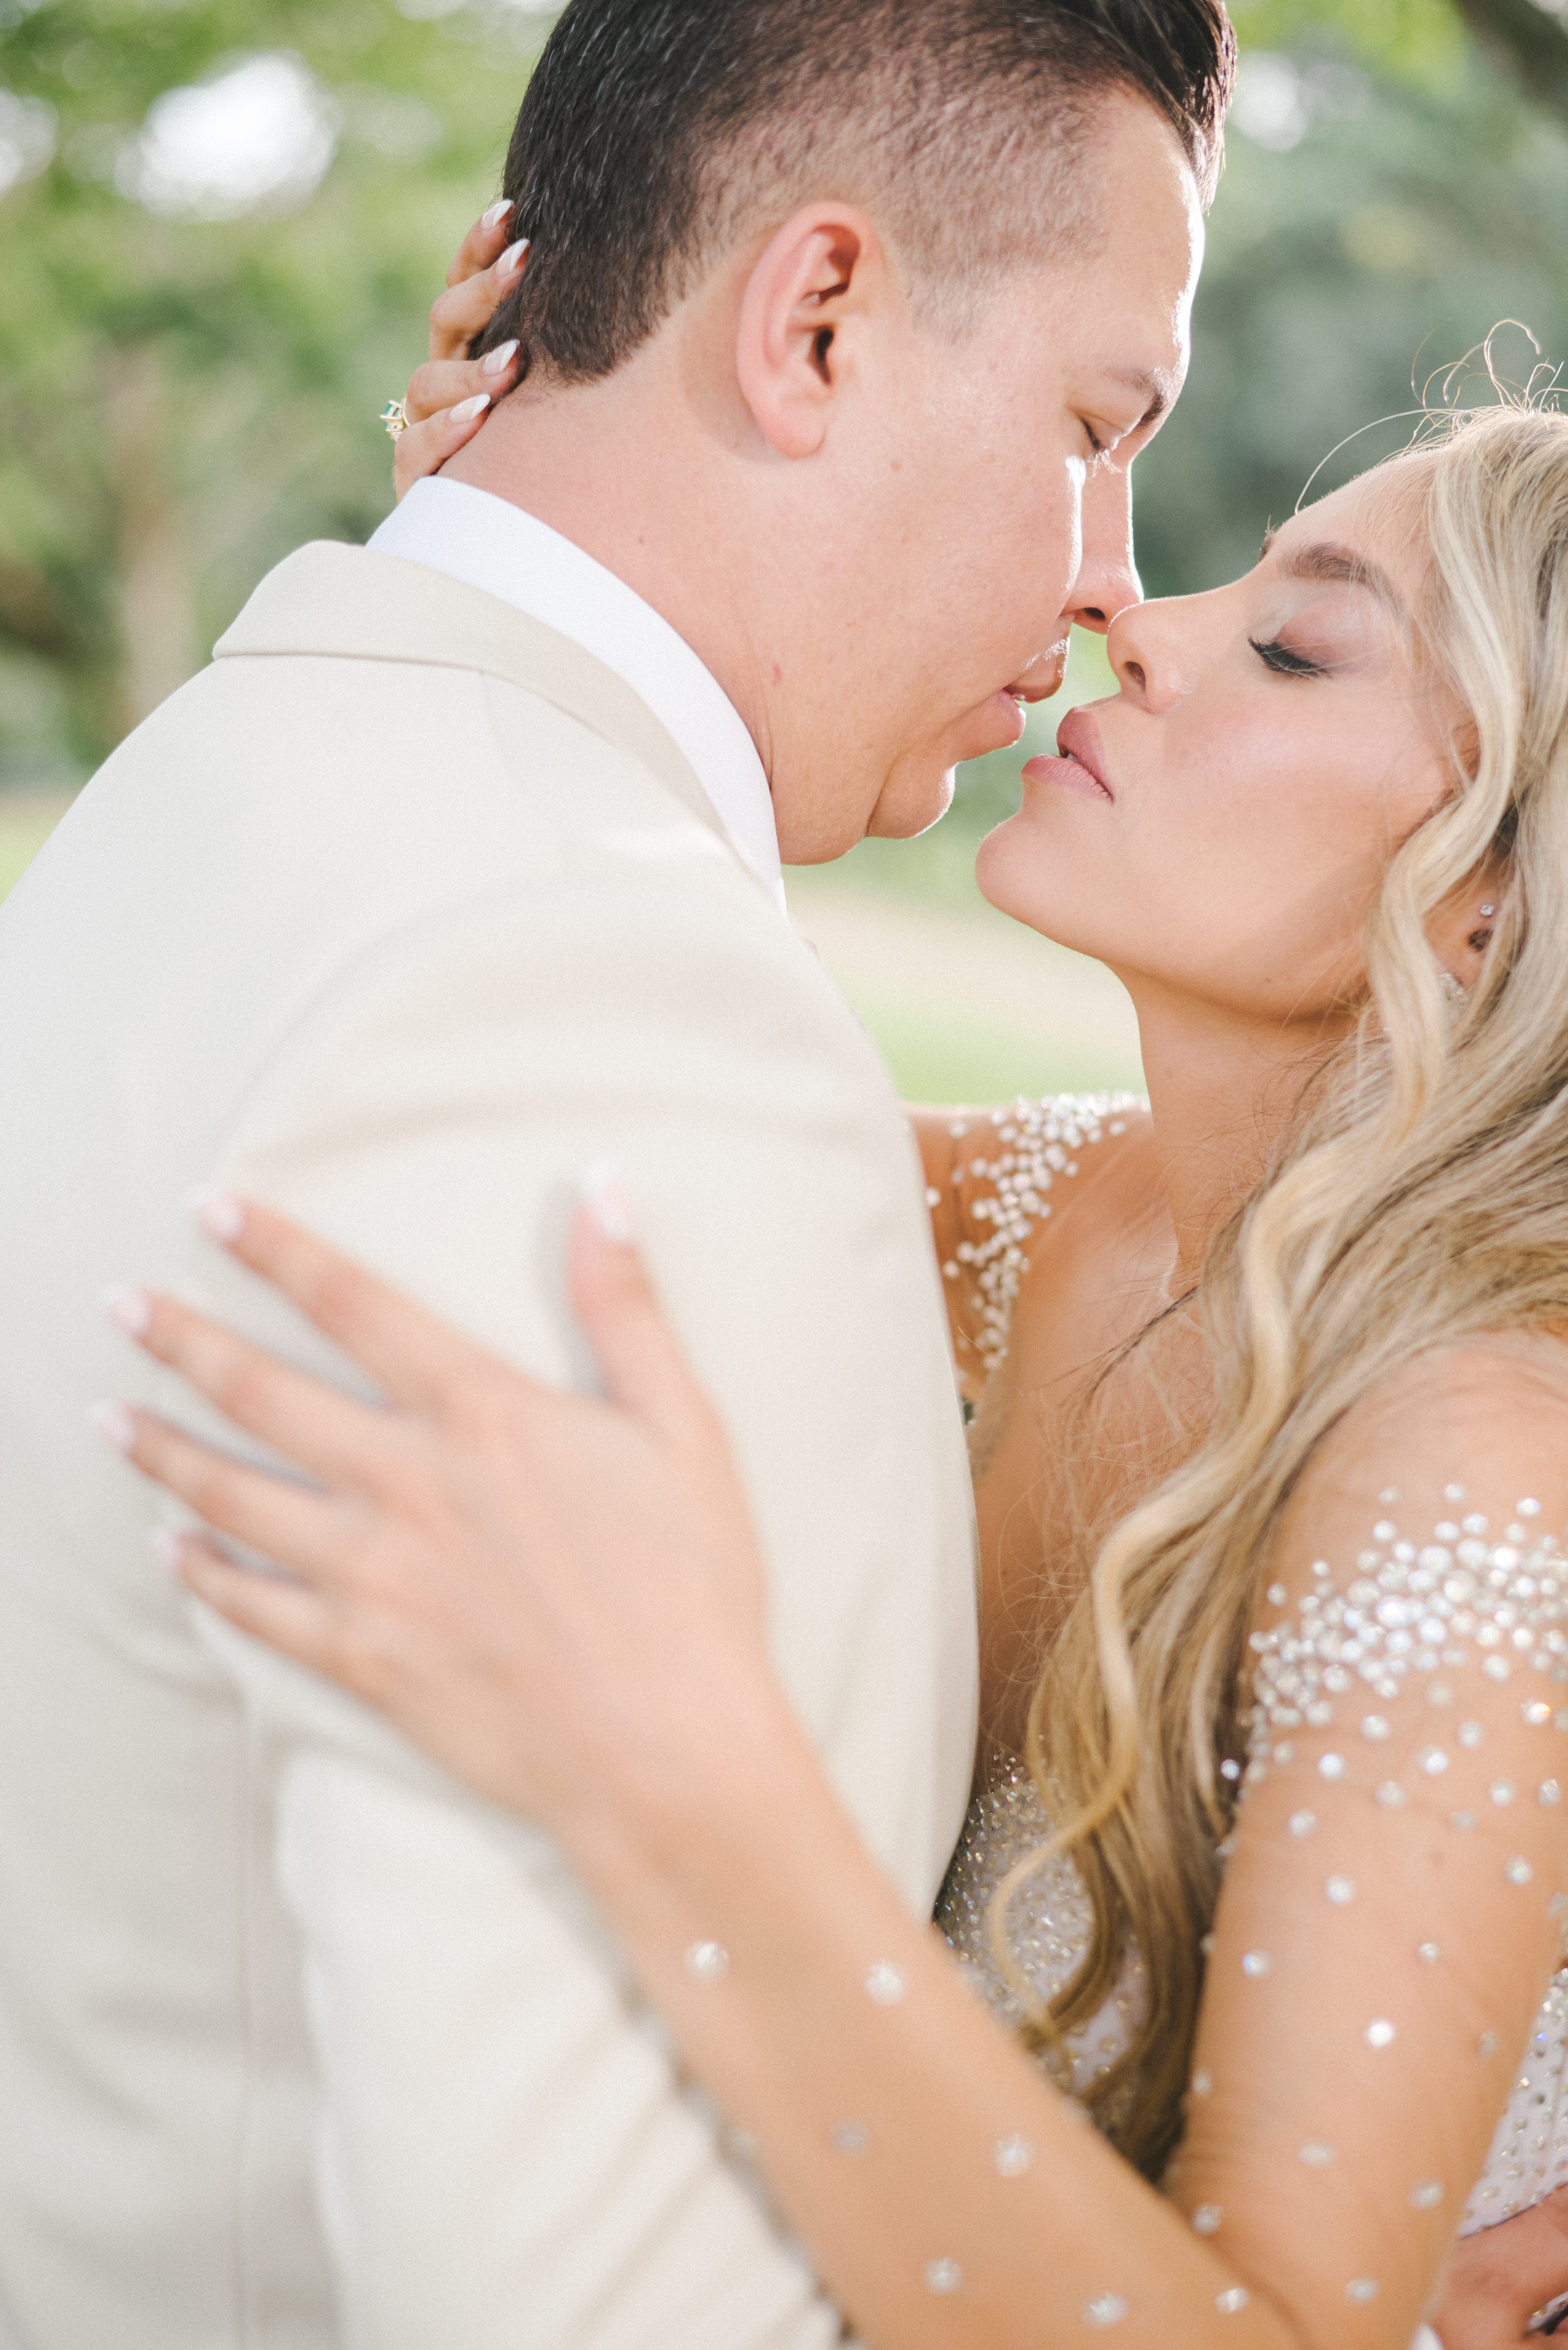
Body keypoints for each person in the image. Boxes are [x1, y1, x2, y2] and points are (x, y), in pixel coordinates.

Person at [0, 3, 1235, 2344]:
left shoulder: (231, 768)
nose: (1112, 585)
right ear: (819, 318)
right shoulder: (605, 999)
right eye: (1098, 430)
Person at [100, 399, 1568, 2348]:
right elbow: (606, 1044)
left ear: (1490, 906)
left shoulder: (1473, 1452)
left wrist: (676, 1767)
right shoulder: (1088, 1221)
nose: (1142, 614)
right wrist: (549, 522)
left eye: (1300, 645)